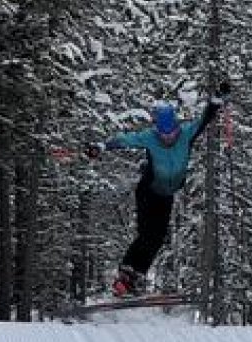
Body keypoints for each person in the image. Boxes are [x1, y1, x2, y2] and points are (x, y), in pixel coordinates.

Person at [87, 82, 229, 297]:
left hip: (166, 195)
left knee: (159, 237)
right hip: (148, 191)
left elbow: (205, 118)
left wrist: (217, 98)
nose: (168, 138)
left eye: (171, 133)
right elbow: (124, 140)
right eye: (163, 134)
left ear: (176, 128)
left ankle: (135, 277)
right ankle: (125, 272)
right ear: (157, 131)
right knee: (146, 234)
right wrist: (101, 146)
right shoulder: (149, 137)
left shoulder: (186, 134)